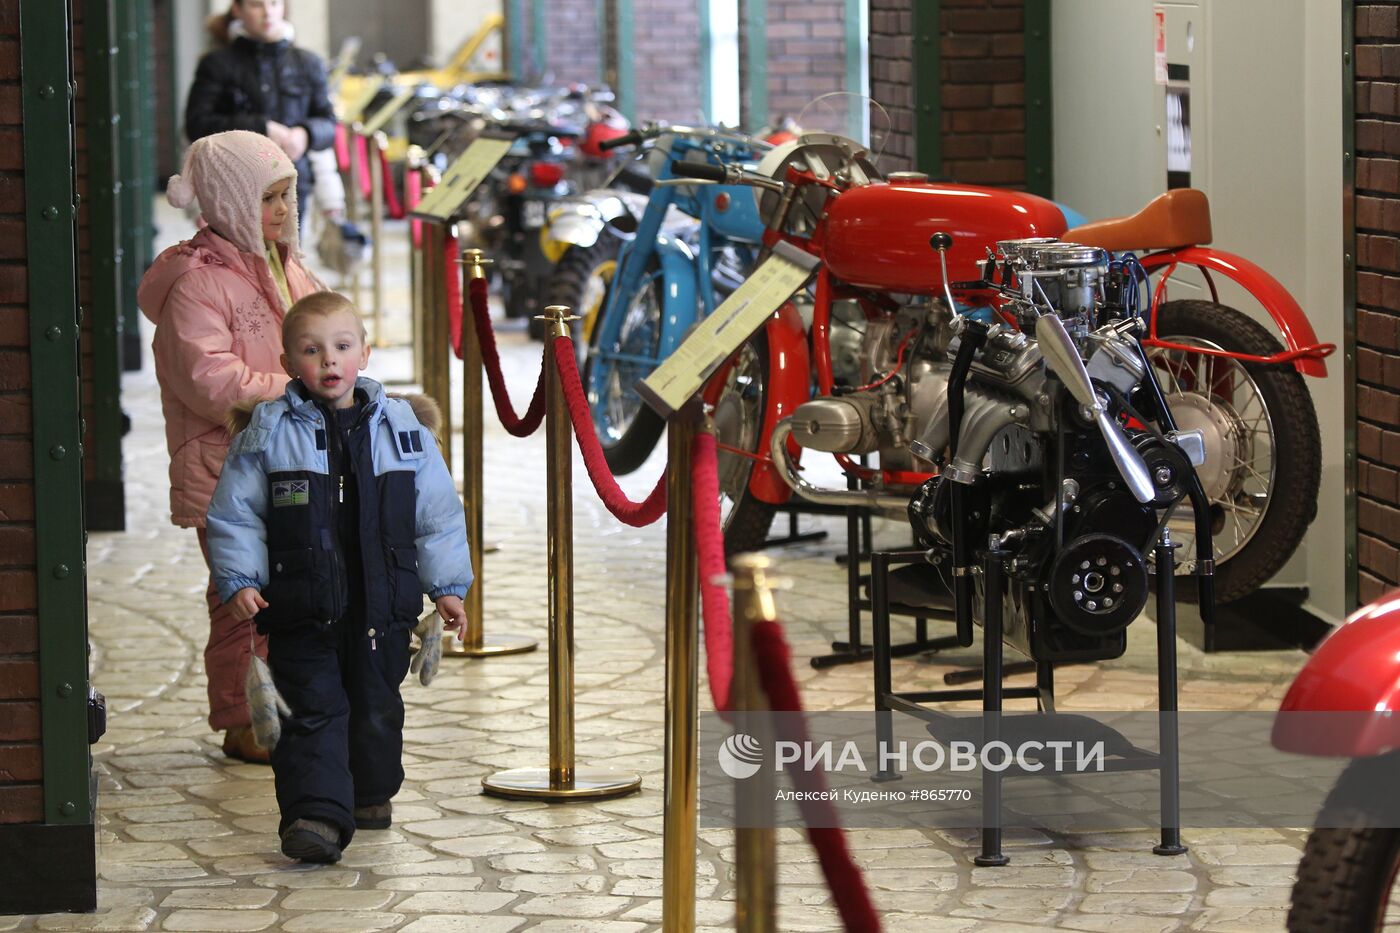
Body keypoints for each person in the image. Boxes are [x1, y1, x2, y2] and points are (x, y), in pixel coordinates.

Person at [205, 292, 472, 863]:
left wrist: (447, 587)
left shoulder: (403, 431)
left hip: (383, 607)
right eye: (311, 349)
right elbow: (236, 513)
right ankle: (316, 815)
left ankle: (370, 793)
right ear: (287, 362)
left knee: (376, 703)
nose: (329, 360)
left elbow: (439, 516)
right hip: (302, 603)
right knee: (311, 707)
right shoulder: (268, 433)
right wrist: (240, 577)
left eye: (341, 347)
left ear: (365, 354)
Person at [138, 129, 325, 764]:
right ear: (226, 202)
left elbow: (329, 329)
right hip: (225, 472)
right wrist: (299, 390)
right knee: (240, 597)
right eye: (267, 200)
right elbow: (208, 380)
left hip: (290, 463)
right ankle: (243, 719)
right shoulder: (196, 283)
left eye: (286, 196)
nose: (280, 212)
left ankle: (286, 706)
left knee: (289, 587)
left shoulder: (289, 265)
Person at [185, 0, 336, 226]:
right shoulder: (216, 64)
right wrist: (261, 128)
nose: (268, 13)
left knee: (285, 259)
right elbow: (197, 124)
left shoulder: (308, 63)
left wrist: (306, 134)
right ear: (238, 10)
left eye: (275, 3)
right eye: (257, 5)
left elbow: (329, 123)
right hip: (232, 189)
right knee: (240, 261)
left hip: (293, 188)